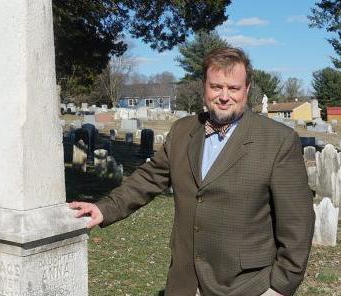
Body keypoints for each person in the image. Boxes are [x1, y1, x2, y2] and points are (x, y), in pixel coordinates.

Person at [69, 47, 315, 296]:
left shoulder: (277, 140)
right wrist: (104, 208)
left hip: (247, 285)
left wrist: (280, 287)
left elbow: (297, 223)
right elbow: (149, 178)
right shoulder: (183, 130)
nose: (224, 96)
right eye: (216, 86)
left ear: (247, 89)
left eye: (233, 88)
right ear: (204, 86)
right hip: (185, 281)